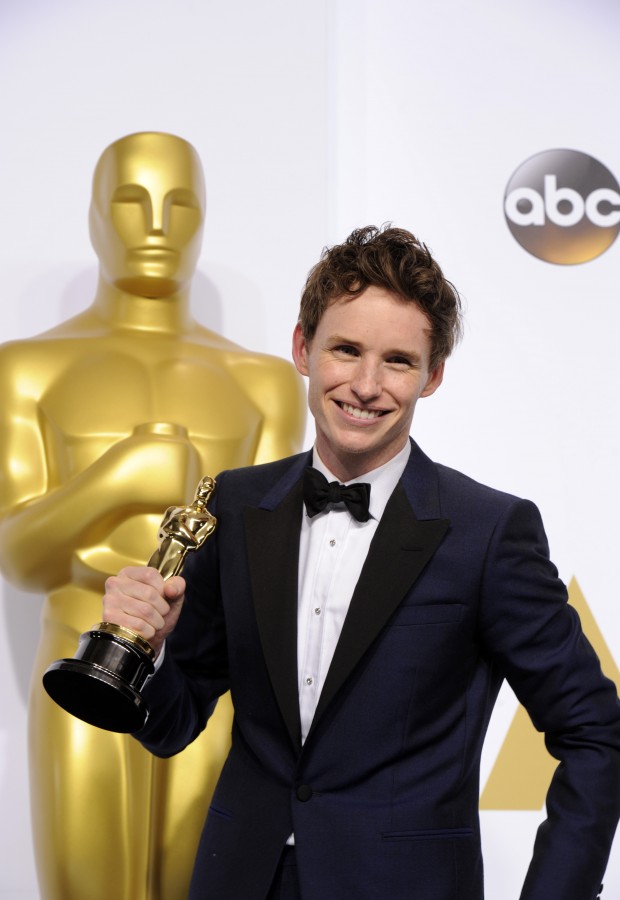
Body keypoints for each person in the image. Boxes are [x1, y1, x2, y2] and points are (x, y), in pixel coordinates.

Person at [102, 225, 620, 900]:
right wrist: (151, 652)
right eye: (346, 349)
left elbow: (595, 733)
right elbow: (172, 725)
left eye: (399, 361)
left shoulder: (488, 532)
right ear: (302, 349)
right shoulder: (237, 504)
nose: (366, 385)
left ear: (432, 376)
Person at [0, 132, 306, 900]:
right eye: (132, 203)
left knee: (205, 889)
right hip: (78, 662)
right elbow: (22, 560)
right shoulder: (27, 369)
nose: (157, 226)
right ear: (97, 216)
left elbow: (264, 570)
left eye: (180, 204)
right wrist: (116, 479)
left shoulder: (262, 383)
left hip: (208, 679)